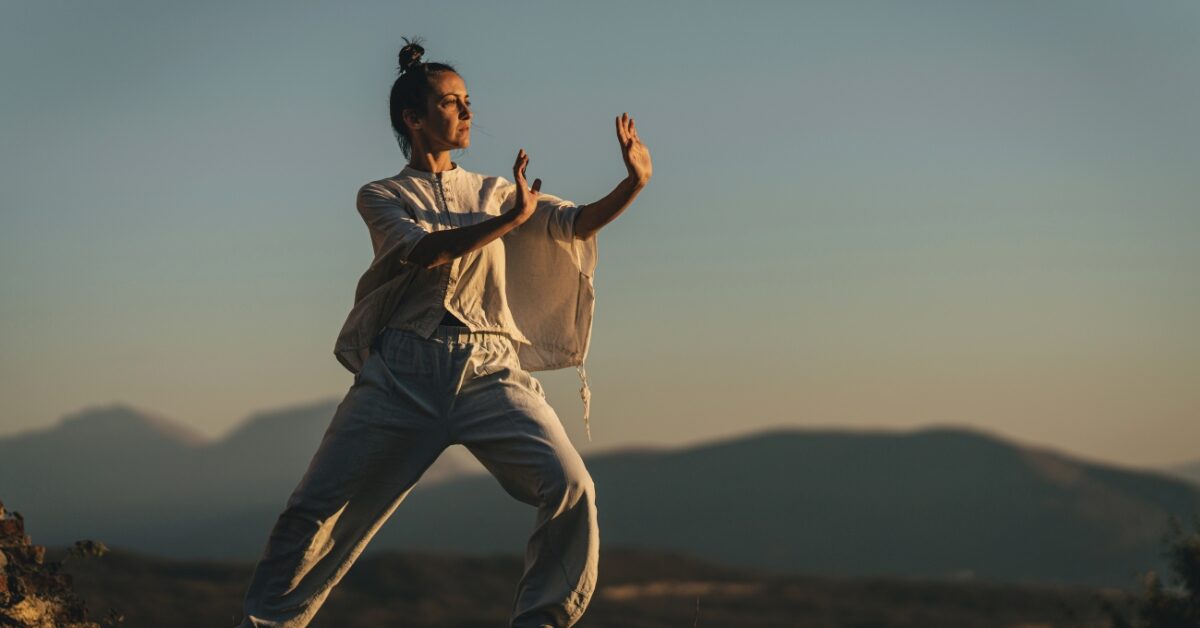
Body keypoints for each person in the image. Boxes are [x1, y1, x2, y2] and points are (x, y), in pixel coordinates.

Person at [235, 36, 651, 628]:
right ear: (414, 118)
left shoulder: (494, 189)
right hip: (402, 375)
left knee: (570, 486)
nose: (467, 112)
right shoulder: (381, 195)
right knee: (315, 512)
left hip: (488, 372)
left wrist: (632, 184)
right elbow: (424, 252)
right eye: (452, 103)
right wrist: (506, 222)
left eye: (467, 100)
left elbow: (573, 223)